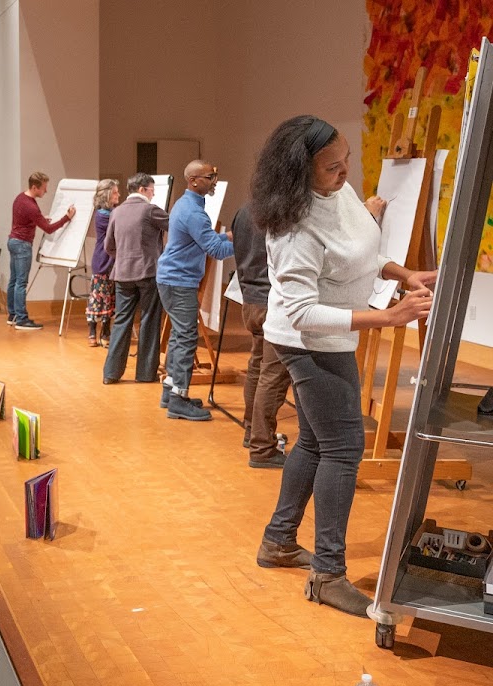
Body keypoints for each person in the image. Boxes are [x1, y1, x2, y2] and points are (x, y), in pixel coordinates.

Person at [251, 115, 434, 616]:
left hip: (332, 340)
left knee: (315, 441)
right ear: (298, 172)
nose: (344, 171)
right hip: (310, 344)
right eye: (332, 166)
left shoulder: (340, 194)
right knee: (343, 448)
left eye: (346, 159)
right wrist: (387, 316)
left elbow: (362, 255)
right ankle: (328, 574)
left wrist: (402, 272)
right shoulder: (294, 226)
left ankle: (279, 541)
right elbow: (303, 313)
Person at [155, 160, 234, 421]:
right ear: (194, 181)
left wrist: (227, 237)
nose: (213, 181)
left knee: (180, 336)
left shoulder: (187, 205)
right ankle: (179, 398)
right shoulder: (194, 212)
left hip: (172, 279)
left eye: (214, 175)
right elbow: (217, 250)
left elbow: (204, 240)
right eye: (210, 177)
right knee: (187, 338)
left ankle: (170, 392)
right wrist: (246, 243)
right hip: (179, 282)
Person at [233, 203, 292, 469]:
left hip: (250, 300)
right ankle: (262, 447)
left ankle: (251, 431)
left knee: (258, 366)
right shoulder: (283, 211)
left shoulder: (244, 211)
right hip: (273, 302)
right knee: (273, 375)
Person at [102, 173, 169, 386]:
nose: (153, 193)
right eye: (151, 189)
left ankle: (111, 373)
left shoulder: (117, 211)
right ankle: (145, 373)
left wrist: (123, 257)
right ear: (141, 189)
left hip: (122, 274)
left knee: (122, 320)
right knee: (149, 321)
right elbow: (176, 227)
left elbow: (108, 246)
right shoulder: (150, 211)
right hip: (148, 272)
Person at [6, 171, 75, 331]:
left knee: (14, 280)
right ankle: (22, 320)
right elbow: (49, 229)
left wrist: (39, 217)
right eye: (44, 188)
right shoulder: (31, 206)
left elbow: (26, 218)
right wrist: (67, 218)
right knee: (21, 282)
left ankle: (13, 315)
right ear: (35, 187)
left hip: (13, 241)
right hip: (22, 245)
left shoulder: (20, 198)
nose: (46, 191)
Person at [86, 179, 119, 346]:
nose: (118, 195)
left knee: (110, 297)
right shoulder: (102, 214)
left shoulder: (113, 212)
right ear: (106, 195)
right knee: (98, 297)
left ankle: (105, 332)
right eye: (115, 192)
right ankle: (92, 331)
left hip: (113, 260)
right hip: (103, 260)